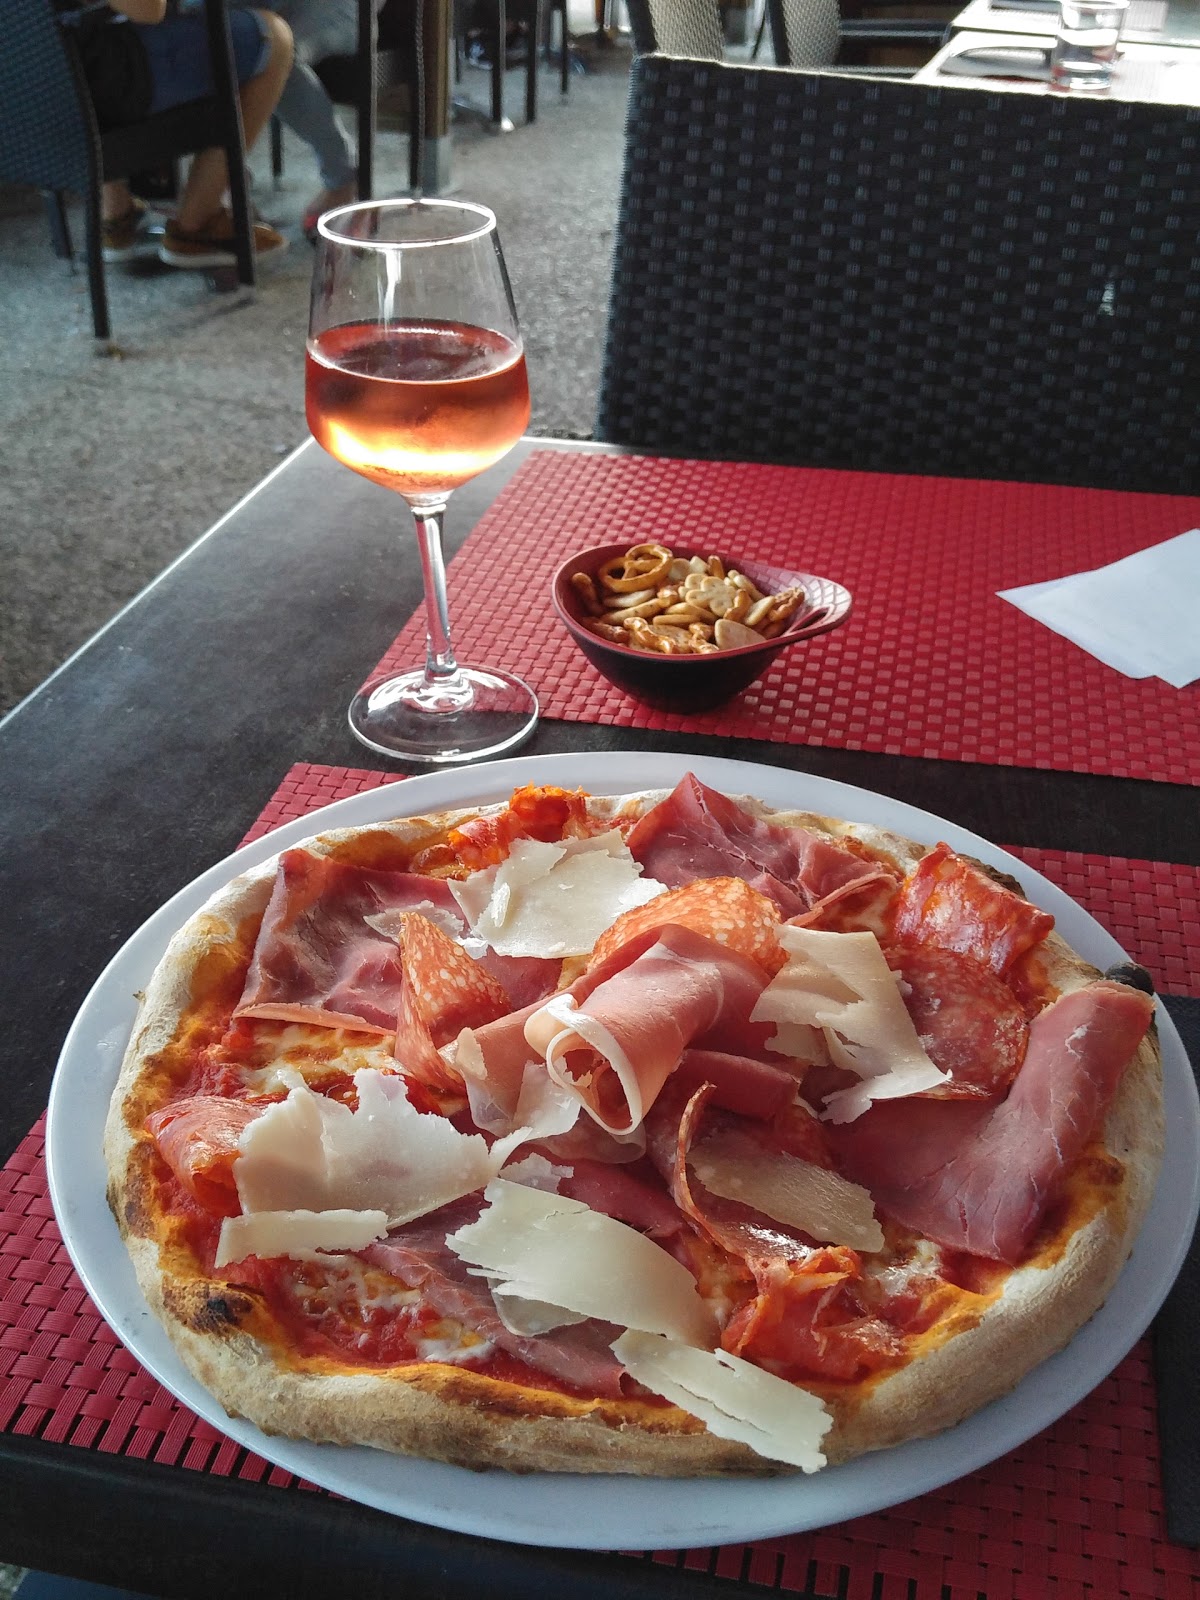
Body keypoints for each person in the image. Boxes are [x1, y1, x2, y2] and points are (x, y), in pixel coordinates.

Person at [70, 0, 294, 267]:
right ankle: (197, 224)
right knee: (273, 36)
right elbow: (149, 10)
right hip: (108, 89)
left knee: (78, 32)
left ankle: (115, 215)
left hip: (42, 103)